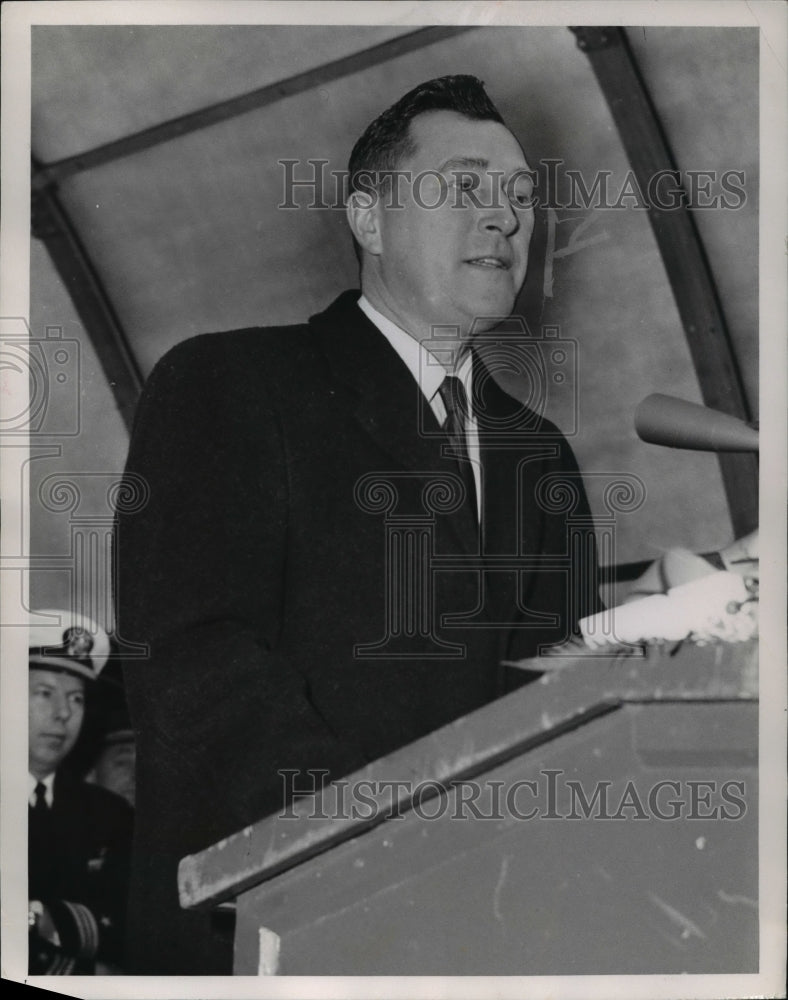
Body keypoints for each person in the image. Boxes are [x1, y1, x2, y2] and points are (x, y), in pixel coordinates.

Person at [115, 75, 601, 974]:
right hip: (276, 926)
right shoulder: (229, 386)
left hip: (481, 933)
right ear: (369, 220)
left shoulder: (543, 457)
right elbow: (195, 662)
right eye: (464, 187)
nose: (505, 218)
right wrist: (380, 843)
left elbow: (555, 700)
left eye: (521, 197)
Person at [28, 610, 133, 974]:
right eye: (45, 693)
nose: (63, 714)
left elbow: (131, 930)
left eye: (76, 699)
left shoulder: (110, 814)